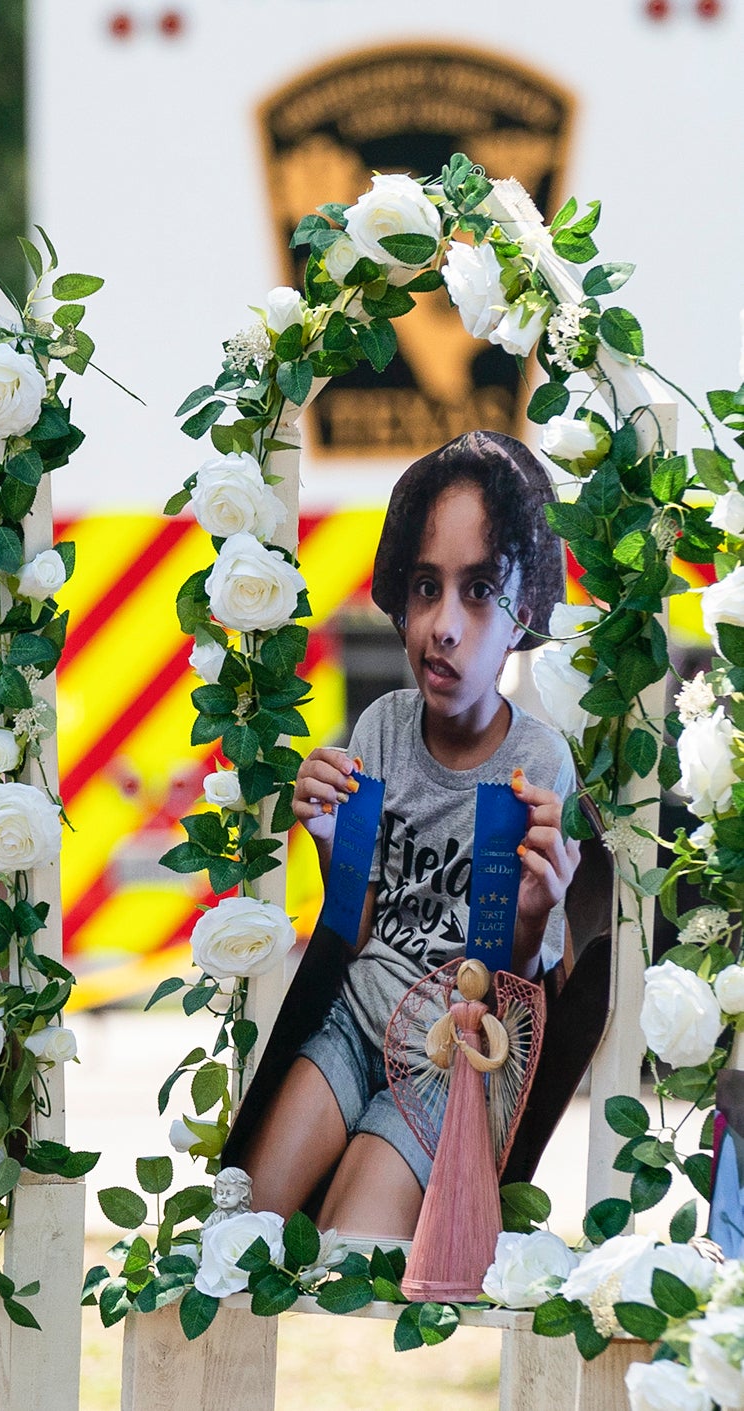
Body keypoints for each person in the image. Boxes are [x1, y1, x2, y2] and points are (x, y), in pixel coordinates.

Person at [233, 430, 582, 1238]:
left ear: (523, 611)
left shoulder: (537, 761)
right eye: (426, 587)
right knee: (239, 1223)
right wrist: (326, 845)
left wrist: (535, 913)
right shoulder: (382, 728)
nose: (445, 624)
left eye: (479, 591)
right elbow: (354, 931)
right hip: (353, 1026)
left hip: (449, 1063)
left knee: (347, 1255)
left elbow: (512, 992)